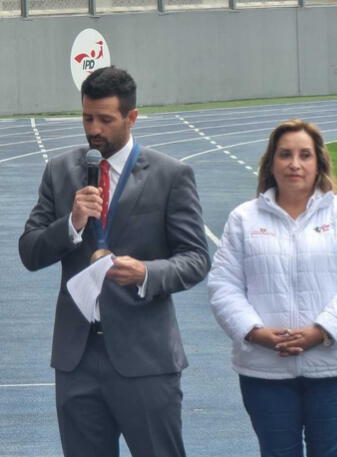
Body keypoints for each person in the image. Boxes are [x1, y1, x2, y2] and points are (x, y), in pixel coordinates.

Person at [18, 66, 210, 457]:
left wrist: (147, 273)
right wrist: (71, 223)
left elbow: (195, 259)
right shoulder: (60, 171)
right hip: (77, 359)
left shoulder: (171, 175)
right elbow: (30, 251)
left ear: (131, 117)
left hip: (145, 358)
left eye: (106, 120)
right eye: (87, 118)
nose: (94, 129)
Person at [208, 119, 337, 457]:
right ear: (271, 163)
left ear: (318, 162)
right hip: (265, 369)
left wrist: (321, 331)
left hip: (333, 367)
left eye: (305, 155)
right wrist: (254, 332)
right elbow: (223, 285)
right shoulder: (244, 219)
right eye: (285, 154)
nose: (294, 164)